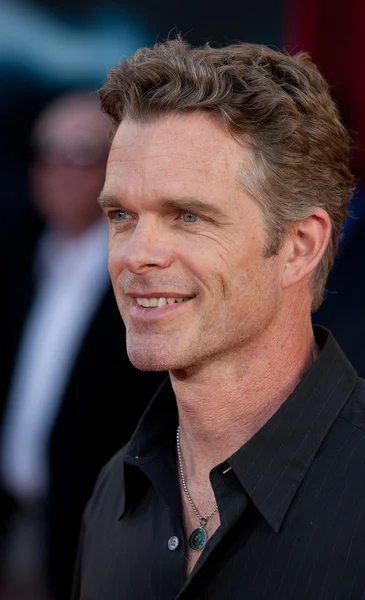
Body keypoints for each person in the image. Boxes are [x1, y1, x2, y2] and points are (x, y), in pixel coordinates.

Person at [72, 39, 365, 599]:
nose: (136, 254)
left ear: (299, 245)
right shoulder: (115, 494)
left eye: (189, 216)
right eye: (121, 215)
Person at [0, 91, 165, 600]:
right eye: (49, 152)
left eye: (83, 153)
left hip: (100, 535)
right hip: (15, 519)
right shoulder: (17, 256)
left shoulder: (147, 276)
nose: (62, 169)